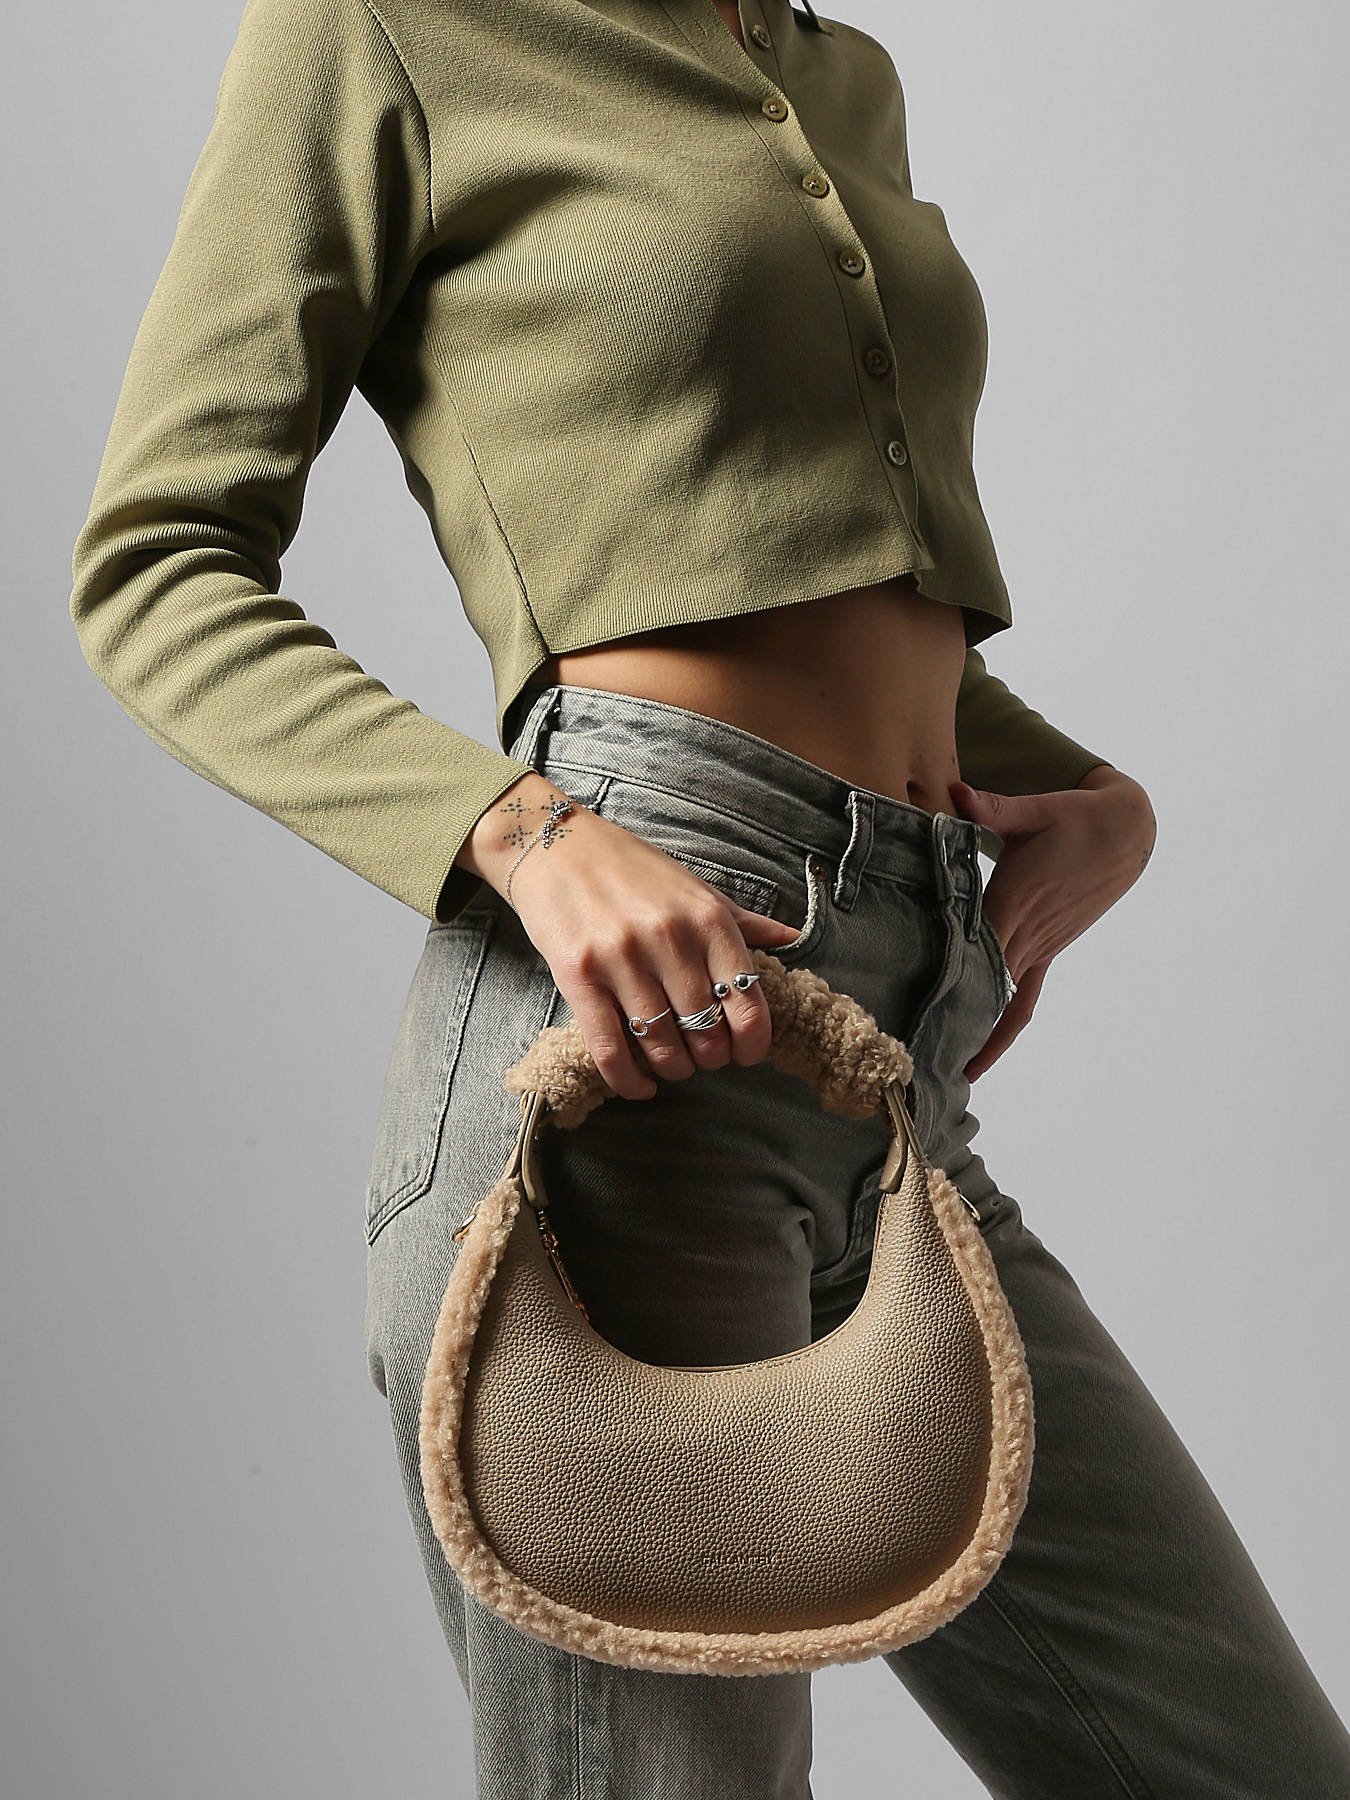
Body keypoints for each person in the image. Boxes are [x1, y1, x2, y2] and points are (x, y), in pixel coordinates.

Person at [69, 0, 1349, 1793]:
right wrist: (521, 832)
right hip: (623, 1061)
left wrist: (1089, 793)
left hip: (894, 1059)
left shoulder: (837, 74)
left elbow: (784, 561)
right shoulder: (384, 28)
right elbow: (156, 564)